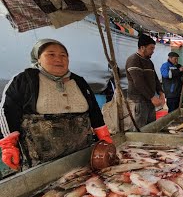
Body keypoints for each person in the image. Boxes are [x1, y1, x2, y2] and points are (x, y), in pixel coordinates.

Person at [0, 38, 113, 171]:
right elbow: (7, 112)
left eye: (63, 55)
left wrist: (104, 136)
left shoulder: (79, 81)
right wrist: (9, 145)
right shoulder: (24, 80)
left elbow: (94, 112)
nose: (58, 59)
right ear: (38, 58)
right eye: (51, 54)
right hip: (41, 163)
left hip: (81, 156)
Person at [126, 34, 165, 128]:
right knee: (140, 128)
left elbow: (155, 78)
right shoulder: (133, 60)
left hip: (149, 100)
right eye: (151, 48)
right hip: (139, 100)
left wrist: (161, 92)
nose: (153, 51)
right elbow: (139, 82)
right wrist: (152, 97)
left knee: (151, 126)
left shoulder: (149, 61)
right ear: (142, 48)